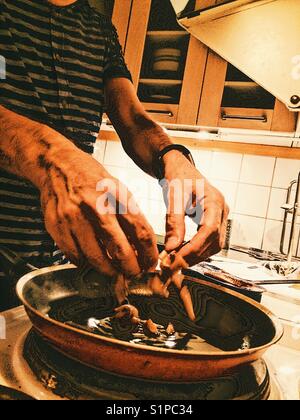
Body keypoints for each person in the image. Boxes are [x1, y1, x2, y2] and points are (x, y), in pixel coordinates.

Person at [0, 0, 229, 311]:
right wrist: (52, 156)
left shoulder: (99, 30)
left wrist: (173, 158)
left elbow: (132, 120)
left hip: (54, 272)